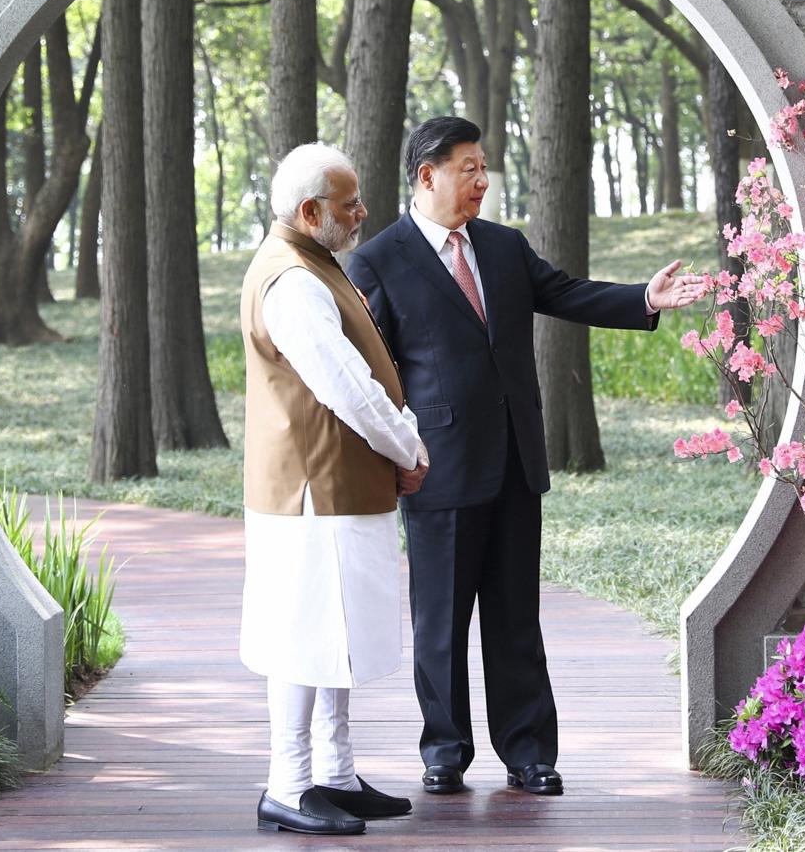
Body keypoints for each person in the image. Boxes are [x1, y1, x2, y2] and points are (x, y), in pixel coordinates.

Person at [345, 116, 706, 798]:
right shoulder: (379, 260)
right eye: (469, 167)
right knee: (441, 623)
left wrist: (644, 299)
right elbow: (373, 372)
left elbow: (566, 292)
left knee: (516, 618)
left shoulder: (505, 247)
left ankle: (529, 752)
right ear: (428, 174)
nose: (482, 180)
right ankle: (445, 750)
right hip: (437, 467)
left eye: (485, 167)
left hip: (515, 462)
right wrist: (391, 452)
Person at [239, 142, 430, 837]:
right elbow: (347, 386)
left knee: (331, 637)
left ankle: (335, 774)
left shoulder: (312, 261)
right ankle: (289, 785)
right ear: (310, 210)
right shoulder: (292, 279)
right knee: (302, 639)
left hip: (327, 489)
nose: (363, 212)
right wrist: (407, 443)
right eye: (350, 204)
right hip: (310, 494)